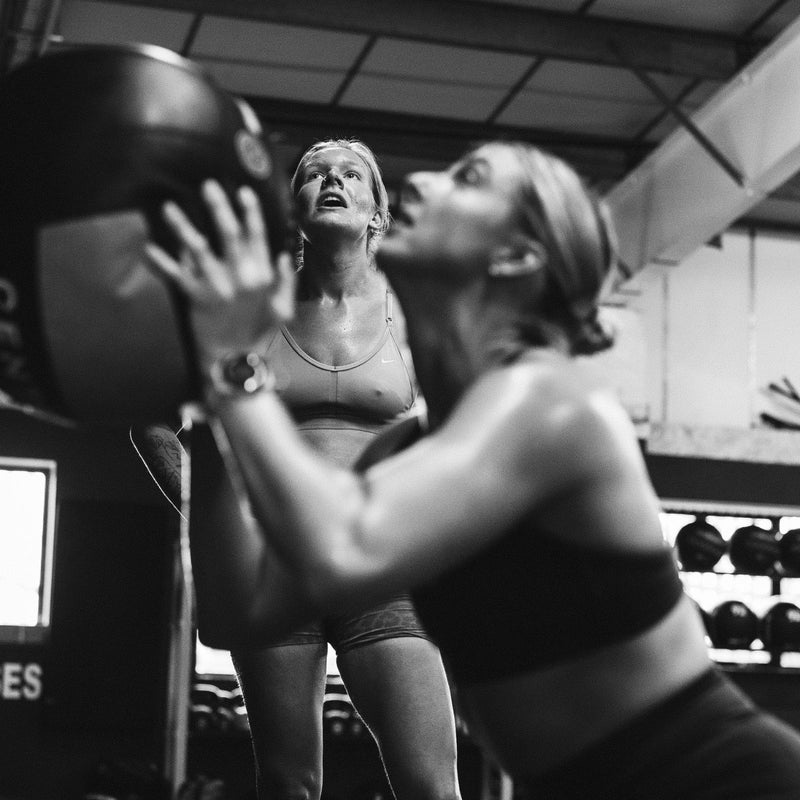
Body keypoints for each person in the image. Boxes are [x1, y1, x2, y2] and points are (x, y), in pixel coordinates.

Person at [145, 140, 800, 799]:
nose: (423, 179)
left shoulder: (549, 402)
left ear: (514, 257)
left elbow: (338, 549)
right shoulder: (404, 453)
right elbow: (239, 614)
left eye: (468, 179)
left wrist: (234, 369)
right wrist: (208, 396)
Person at [133, 140, 462, 800]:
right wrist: (217, 522)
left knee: (431, 784)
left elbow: (463, 431)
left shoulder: (416, 312)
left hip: (379, 557)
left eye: (350, 175)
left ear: (377, 212)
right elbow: (151, 420)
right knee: (288, 783)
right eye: (314, 174)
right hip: (274, 564)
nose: (331, 181)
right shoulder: (251, 311)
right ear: (294, 211)